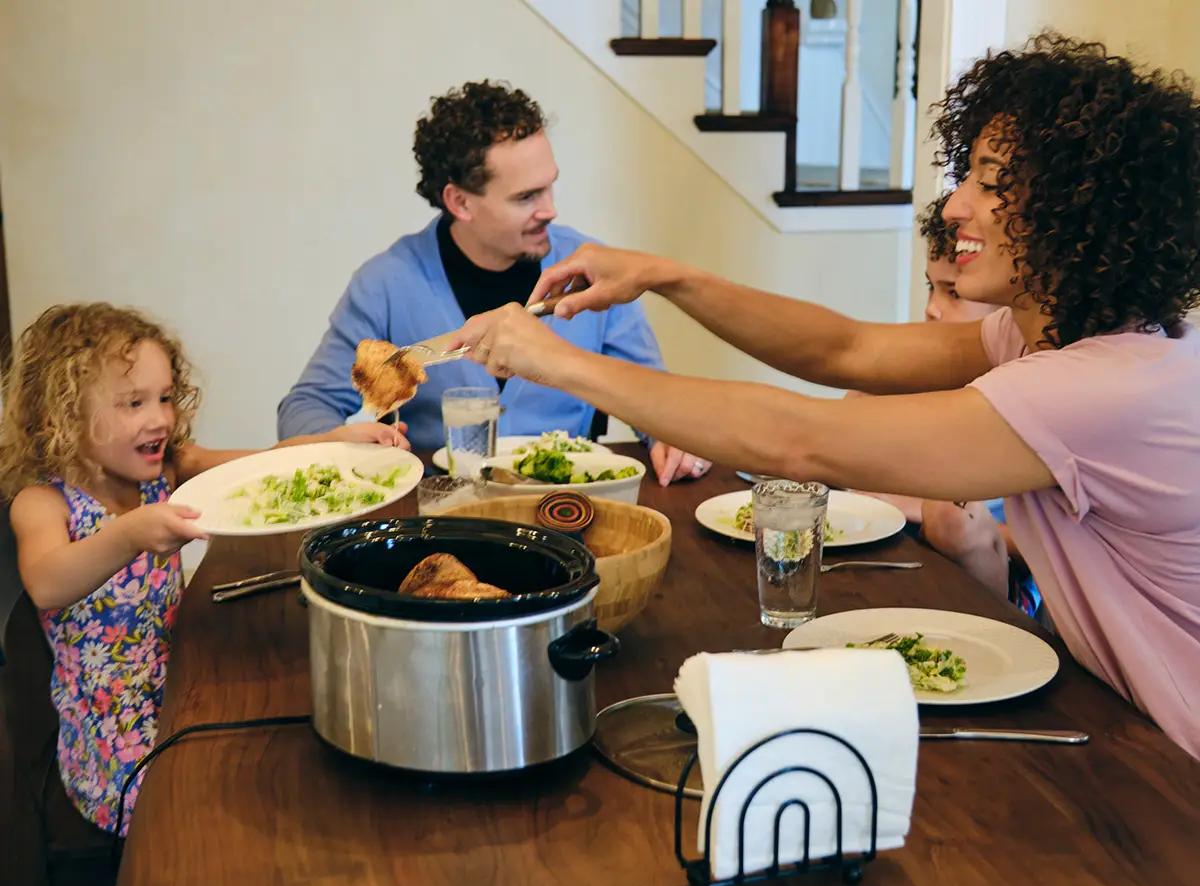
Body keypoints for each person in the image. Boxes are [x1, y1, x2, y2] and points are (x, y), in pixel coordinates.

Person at [448, 36, 1200, 758]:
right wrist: (666, 276)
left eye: (991, 183)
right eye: (965, 176)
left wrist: (555, 361)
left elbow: (800, 440)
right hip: (1126, 721)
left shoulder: (1100, 388)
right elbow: (848, 348)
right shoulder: (1058, 337)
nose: (955, 207)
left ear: (1079, 207)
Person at [0, 303, 401, 835]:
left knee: (286, 751)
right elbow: (48, 583)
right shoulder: (43, 502)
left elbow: (265, 464)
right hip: (113, 741)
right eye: (133, 402)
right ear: (62, 415)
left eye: (165, 397)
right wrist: (129, 533)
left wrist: (333, 442)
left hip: (181, 683)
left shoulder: (167, 467)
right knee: (217, 809)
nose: (160, 418)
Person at [276, 80, 708, 486]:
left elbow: (652, 397)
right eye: (527, 197)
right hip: (438, 518)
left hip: (566, 510)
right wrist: (336, 442)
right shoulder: (385, 283)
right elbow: (304, 408)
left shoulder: (597, 274)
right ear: (460, 202)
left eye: (549, 187)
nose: (551, 210)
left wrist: (667, 435)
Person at [855, 195, 1039, 615]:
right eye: (930, 286)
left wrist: (916, 507)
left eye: (951, 293)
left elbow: (1039, 550)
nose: (931, 308)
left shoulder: (1028, 399)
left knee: (951, 518)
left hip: (999, 587)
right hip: (899, 569)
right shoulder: (924, 374)